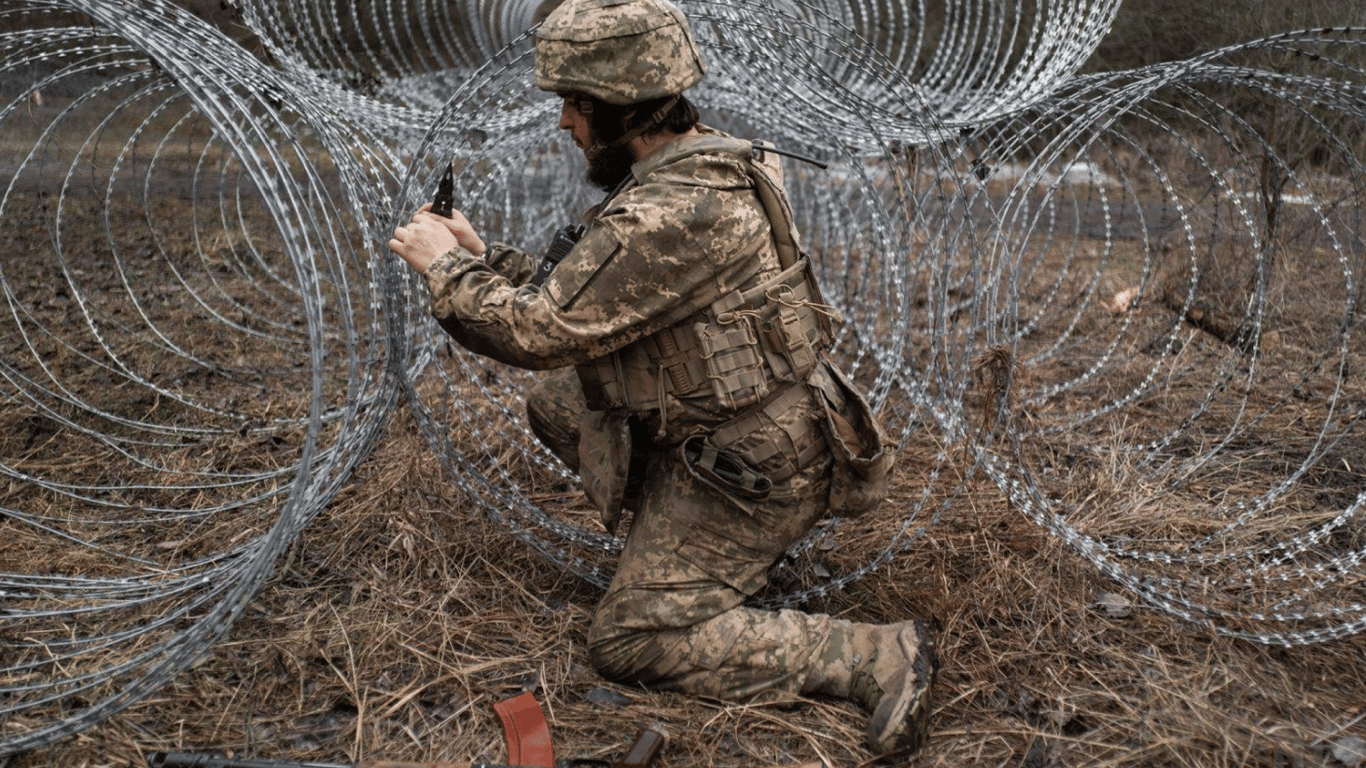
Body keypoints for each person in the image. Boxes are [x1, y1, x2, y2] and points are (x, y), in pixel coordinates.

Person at [387, 0, 937, 755]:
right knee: (565, 404)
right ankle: (688, 557)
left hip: (756, 463)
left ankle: (869, 654)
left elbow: (541, 330)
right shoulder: (702, 160)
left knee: (629, 641)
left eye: (573, 109)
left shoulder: (672, 209)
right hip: (754, 427)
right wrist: (481, 256)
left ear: (614, 109)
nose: (563, 127)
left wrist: (444, 268)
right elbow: (592, 296)